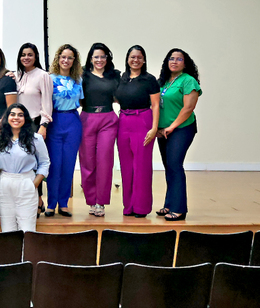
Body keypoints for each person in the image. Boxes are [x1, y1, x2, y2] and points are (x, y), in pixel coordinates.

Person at [155, 48, 201, 221]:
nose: (174, 61)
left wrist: (172, 127)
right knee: (169, 167)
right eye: (171, 58)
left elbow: (188, 108)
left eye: (178, 59)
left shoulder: (188, 81)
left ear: (185, 63)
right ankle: (169, 204)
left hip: (181, 129)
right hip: (164, 131)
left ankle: (179, 208)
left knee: (175, 165)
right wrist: (159, 128)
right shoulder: (164, 82)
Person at [115, 45, 160, 218]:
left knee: (141, 166)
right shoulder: (122, 78)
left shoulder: (149, 79)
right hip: (123, 121)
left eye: (139, 57)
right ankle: (129, 206)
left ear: (144, 60)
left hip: (143, 121)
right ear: (127, 59)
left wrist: (154, 128)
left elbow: (155, 105)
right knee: (126, 167)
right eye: (132, 57)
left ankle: (141, 207)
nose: (136, 60)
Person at [11, 42, 52, 218]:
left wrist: (43, 125)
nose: (26, 58)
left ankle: (38, 200)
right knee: (21, 164)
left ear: (36, 57)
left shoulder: (43, 75)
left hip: (35, 124)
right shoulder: (17, 76)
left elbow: (47, 103)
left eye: (30, 54)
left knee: (35, 164)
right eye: (23, 55)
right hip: (17, 124)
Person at [79, 43, 121, 217]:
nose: (99, 60)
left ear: (107, 58)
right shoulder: (82, 75)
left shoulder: (115, 75)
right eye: (96, 56)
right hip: (87, 118)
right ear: (90, 58)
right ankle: (91, 200)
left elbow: (121, 95)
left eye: (103, 56)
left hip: (108, 119)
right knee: (87, 161)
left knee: (104, 161)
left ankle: (100, 202)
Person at [0, 104, 50, 232]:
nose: (16, 118)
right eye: (12, 114)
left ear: (25, 119)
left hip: (26, 182)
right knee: (7, 230)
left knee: (27, 229)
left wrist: (34, 184)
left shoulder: (36, 139)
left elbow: (45, 163)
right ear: (7, 118)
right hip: (4, 184)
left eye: (20, 115)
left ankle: (27, 253)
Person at [45, 44, 83, 217]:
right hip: (55, 121)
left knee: (68, 164)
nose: (66, 60)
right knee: (55, 164)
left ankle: (64, 203)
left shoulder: (78, 80)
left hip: (73, 121)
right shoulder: (49, 78)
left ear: (74, 61)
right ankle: (51, 203)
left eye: (70, 57)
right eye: (63, 56)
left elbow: (81, 101)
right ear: (58, 58)